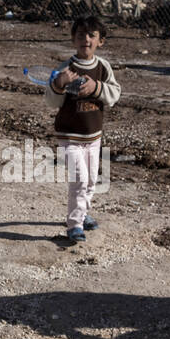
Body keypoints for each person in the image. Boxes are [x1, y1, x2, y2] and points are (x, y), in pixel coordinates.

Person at [43, 15, 122, 241]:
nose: (85, 39)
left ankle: (83, 213)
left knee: (90, 180)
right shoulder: (65, 68)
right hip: (69, 135)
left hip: (93, 136)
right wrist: (59, 84)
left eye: (91, 35)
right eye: (80, 35)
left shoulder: (103, 67)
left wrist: (96, 87)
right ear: (73, 40)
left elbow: (114, 94)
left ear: (101, 41)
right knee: (79, 178)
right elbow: (51, 102)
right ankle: (74, 225)